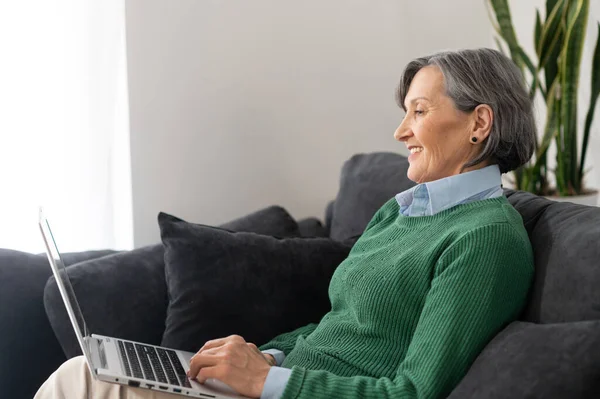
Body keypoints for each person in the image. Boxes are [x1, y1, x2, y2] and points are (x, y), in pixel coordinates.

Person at [35, 48, 536, 399]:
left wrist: (265, 382)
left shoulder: (486, 236)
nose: (400, 130)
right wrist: (265, 358)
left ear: (479, 123)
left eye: (419, 111)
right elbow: (338, 329)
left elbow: (413, 391)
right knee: (90, 371)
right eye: (405, 112)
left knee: (81, 381)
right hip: (279, 387)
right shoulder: (401, 211)